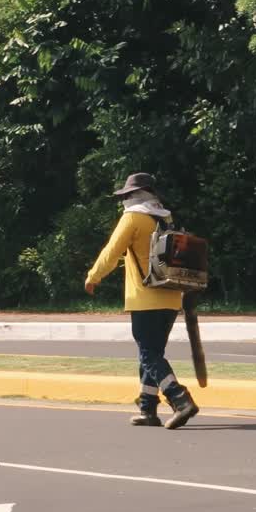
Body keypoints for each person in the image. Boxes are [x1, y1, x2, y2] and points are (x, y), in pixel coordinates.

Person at [84, 172, 199, 429]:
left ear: (133, 195)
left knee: (149, 354)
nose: (124, 200)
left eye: (126, 195)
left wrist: (93, 277)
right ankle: (148, 409)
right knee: (153, 353)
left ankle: (180, 399)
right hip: (171, 296)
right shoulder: (166, 217)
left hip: (145, 298)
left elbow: (112, 251)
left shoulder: (132, 217)